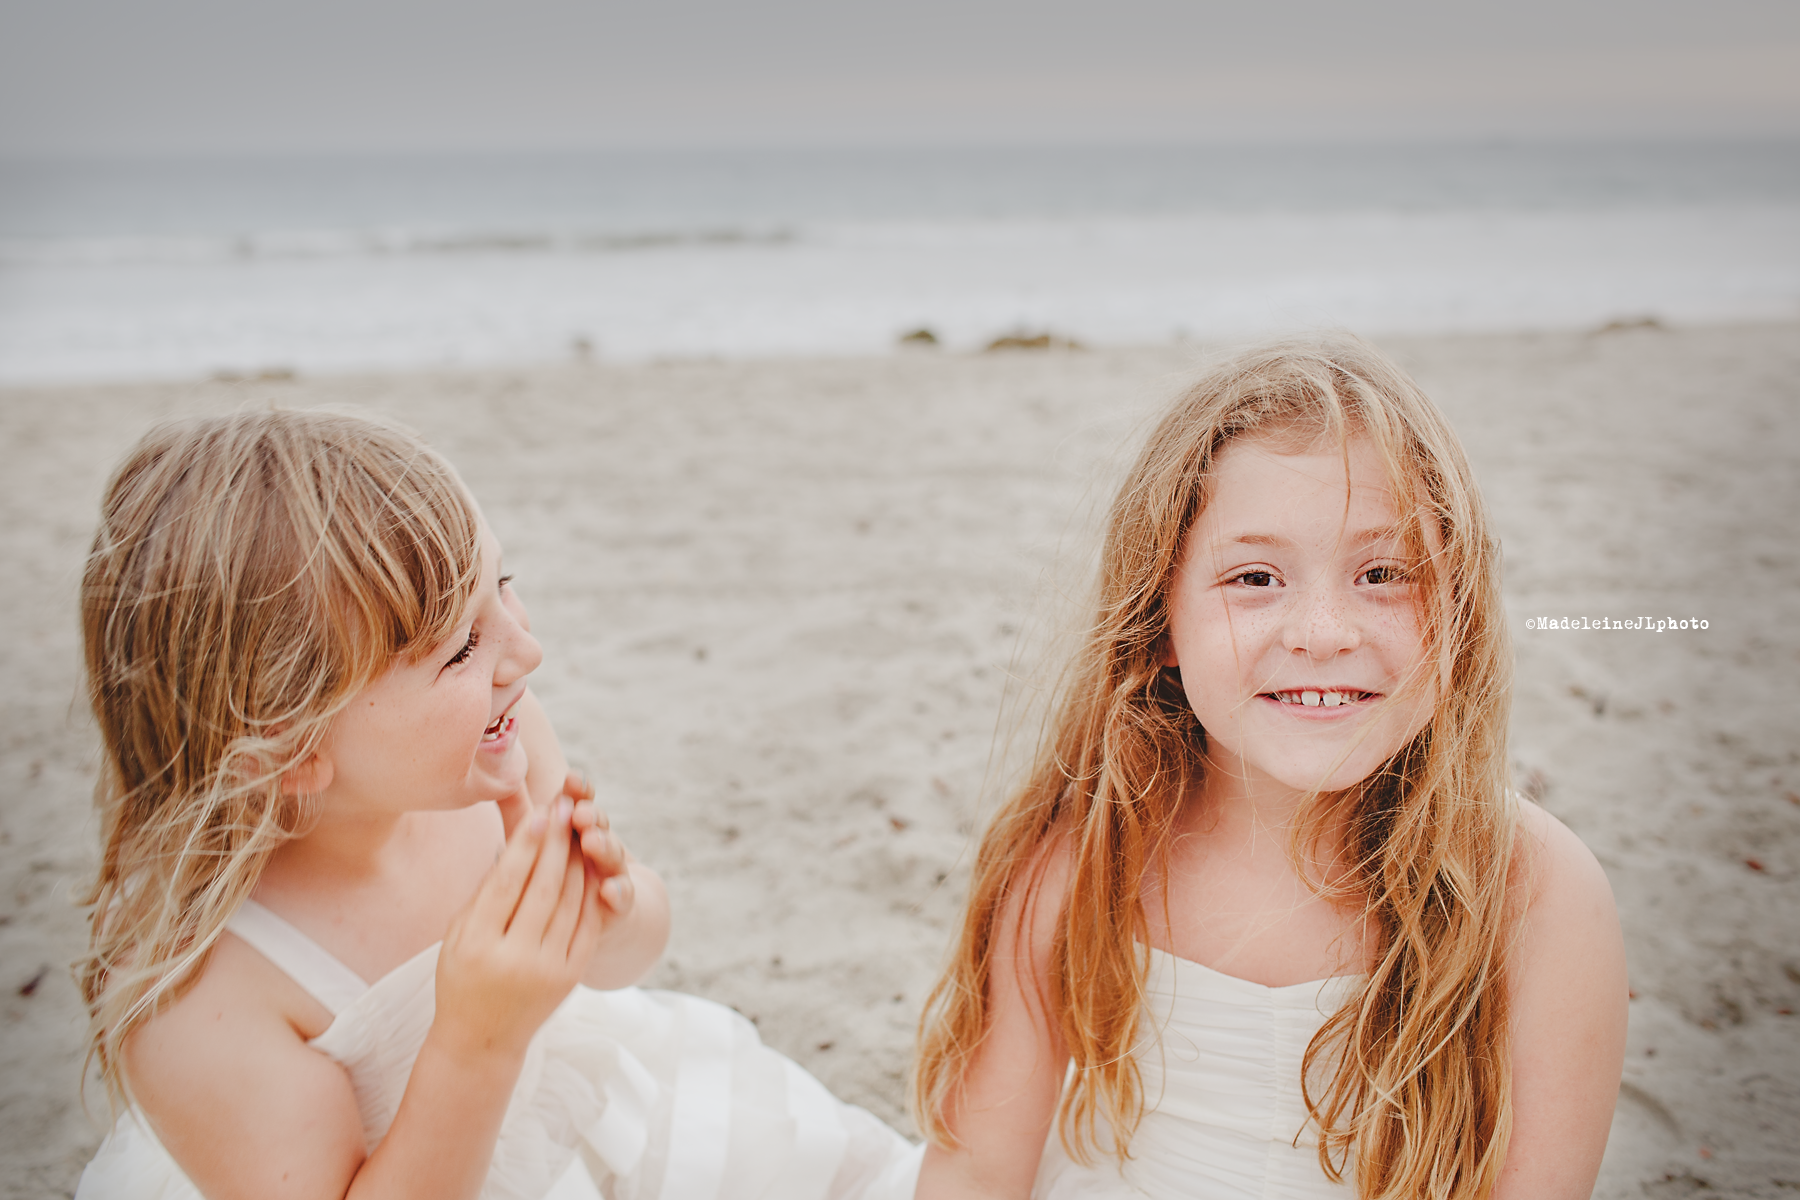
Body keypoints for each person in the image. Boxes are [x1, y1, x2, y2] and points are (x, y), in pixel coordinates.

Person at [73, 409, 921, 1200]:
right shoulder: (204, 999)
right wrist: (479, 1038)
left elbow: (624, 966)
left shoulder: (496, 761)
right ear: (293, 751)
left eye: (502, 586)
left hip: (600, 1111)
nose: (527, 648)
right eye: (463, 648)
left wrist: (611, 914)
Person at [911, 338, 1628, 1200]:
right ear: (1159, 624)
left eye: (1383, 573)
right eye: (1255, 576)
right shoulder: (1083, 855)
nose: (1323, 631)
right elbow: (977, 1166)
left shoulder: (1536, 892)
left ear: (1459, 617)